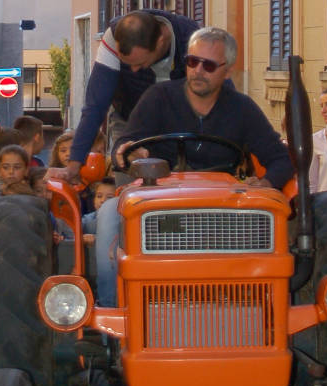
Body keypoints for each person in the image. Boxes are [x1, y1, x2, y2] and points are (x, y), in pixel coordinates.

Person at [95, 27, 293, 307]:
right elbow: (125, 143)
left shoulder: (242, 109)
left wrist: (267, 182)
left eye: (209, 65)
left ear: (227, 71)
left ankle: (256, 308)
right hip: (158, 200)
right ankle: (115, 316)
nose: (199, 71)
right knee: (108, 218)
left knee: (269, 228)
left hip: (221, 208)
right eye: (192, 61)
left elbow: (281, 159)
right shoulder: (158, 97)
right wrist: (127, 152)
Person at [64, 9, 200, 183]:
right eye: (127, 65)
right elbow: (95, 105)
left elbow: (219, 93)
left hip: (182, 127)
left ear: (160, 42)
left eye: (140, 64)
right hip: (129, 122)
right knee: (127, 188)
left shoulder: (191, 40)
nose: (134, 70)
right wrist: (75, 163)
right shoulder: (113, 38)